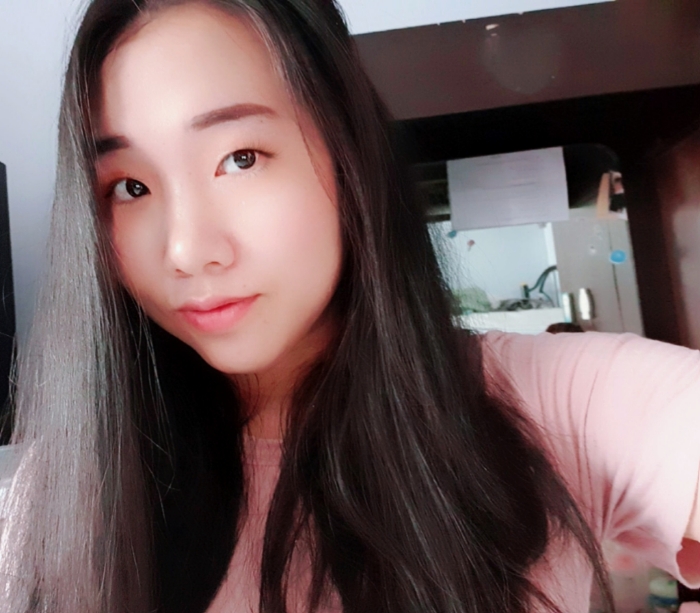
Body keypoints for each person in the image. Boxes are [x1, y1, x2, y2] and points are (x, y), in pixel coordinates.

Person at [0, 1, 698, 612]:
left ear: (348, 152)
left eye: (240, 158)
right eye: (129, 187)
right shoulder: (60, 498)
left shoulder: (566, 403)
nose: (187, 250)